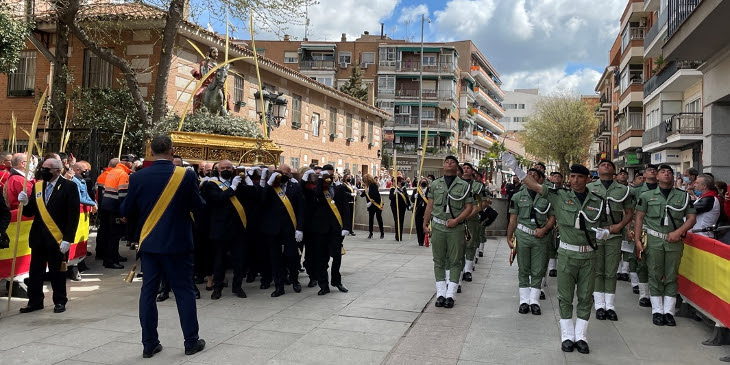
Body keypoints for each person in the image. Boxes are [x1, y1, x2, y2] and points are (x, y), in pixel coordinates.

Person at [504, 152, 603, 354]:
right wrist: (516, 168)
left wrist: (608, 232)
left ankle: (581, 336)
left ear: (587, 179)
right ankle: (567, 335)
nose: (575, 180)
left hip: (588, 255)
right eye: (572, 176)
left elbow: (606, 223)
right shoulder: (560, 196)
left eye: (579, 177)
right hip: (567, 254)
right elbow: (534, 185)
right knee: (565, 296)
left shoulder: (598, 201)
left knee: (585, 297)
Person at [120, 135, 206, 358]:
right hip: (178, 243)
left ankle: (149, 344)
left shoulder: (138, 177)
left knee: (148, 293)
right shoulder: (185, 175)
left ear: (151, 151)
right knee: (184, 292)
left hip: (149, 244)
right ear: (171, 150)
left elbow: (126, 209)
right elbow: (199, 206)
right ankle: (190, 341)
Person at [634, 164, 696, 327]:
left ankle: (668, 311)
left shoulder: (682, 196)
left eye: (669, 172)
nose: (666, 174)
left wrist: (679, 232)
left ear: (673, 177)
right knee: (654, 274)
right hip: (654, 239)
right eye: (663, 172)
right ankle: (657, 310)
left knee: (671, 275)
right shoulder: (647, 195)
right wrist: (637, 240)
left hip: (674, 240)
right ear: (658, 177)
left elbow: (691, 218)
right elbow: (639, 218)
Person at [17, 158, 80, 314]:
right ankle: (35, 301)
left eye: (48, 169)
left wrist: (68, 239)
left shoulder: (69, 187)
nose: (44, 171)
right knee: (35, 272)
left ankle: (60, 301)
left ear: (58, 170)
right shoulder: (38, 186)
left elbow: (73, 216)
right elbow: (30, 212)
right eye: (43, 167)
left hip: (57, 238)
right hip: (38, 238)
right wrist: (24, 203)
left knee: (57, 272)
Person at [422, 156, 474, 309]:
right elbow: (430, 206)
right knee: (438, 260)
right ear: (443, 165)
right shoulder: (436, 184)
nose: (449, 163)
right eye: (446, 162)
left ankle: (450, 294)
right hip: (438, 227)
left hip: (455, 228)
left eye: (452, 162)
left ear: (457, 167)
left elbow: (469, 207)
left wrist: (457, 220)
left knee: (455, 261)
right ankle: (440, 294)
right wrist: (425, 223)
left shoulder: (464, 186)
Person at [587, 160, 634, 322]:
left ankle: (610, 306)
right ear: (597, 170)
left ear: (614, 170)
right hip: (596, 234)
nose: (606, 166)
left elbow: (629, 212)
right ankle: (600, 305)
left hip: (613, 234)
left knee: (611, 270)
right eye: (602, 165)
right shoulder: (589, 188)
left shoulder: (623, 190)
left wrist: (619, 226)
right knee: (597, 270)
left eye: (609, 165)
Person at [507, 168, 555, 316]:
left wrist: (545, 229)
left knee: (538, 269)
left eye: (535, 175)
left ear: (541, 180)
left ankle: (534, 301)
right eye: (529, 175)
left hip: (540, 236)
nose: (531, 177)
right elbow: (513, 219)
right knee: (523, 268)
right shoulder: (517, 196)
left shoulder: (548, 196)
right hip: (522, 235)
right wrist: (509, 237)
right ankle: (523, 301)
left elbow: (552, 217)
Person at [199, 160, 248, 300]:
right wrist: (232, 188)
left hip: (237, 228)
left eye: (228, 167)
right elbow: (218, 199)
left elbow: (250, 198)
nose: (226, 170)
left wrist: (248, 182)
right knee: (219, 261)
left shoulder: (239, 182)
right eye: (223, 168)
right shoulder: (211, 185)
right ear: (218, 170)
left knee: (238, 260)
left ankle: (237, 287)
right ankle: (217, 288)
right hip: (219, 228)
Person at [261, 165, 305, 297]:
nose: (282, 175)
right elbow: (261, 201)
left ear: (290, 175)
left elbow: (301, 209)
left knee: (292, 256)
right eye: (279, 172)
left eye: (285, 173)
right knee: (275, 258)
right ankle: (279, 286)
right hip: (273, 229)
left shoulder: (295, 187)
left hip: (290, 228)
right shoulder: (271, 187)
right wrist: (268, 184)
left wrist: (300, 229)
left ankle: (295, 280)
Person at [311, 165, 351, 295]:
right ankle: (324, 285)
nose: (329, 178)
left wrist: (346, 227)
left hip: (336, 229)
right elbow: (315, 195)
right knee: (322, 259)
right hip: (321, 229)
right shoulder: (319, 190)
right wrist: (321, 181)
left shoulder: (339, 189)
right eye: (326, 175)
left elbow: (345, 209)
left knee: (337, 256)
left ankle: (336, 281)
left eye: (330, 175)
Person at [630, 164, 659, 307]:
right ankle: (644, 294)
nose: (653, 171)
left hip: (660, 232)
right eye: (649, 170)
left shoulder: (665, 190)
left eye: (655, 170)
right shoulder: (637, 191)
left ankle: (657, 296)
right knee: (641, 263)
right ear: (644, 175)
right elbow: (630, 210)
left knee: (657, 265)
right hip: (642, 229)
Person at [101, 155, 135, 269]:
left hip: (106, 206)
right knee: (114, 236)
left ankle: (112, 256)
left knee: (109, 234)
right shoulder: (123, 174)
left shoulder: (112, 171)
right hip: (115, 208)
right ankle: (111, 260)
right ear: (128, 165)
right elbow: (123, 195)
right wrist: (123, 213)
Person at [361, 174, 384, 239]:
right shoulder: (366, 186)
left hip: (377, 204)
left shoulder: (373, 185)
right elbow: (364, 194)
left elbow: (376, 195)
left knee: (379, 218)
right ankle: (370, 233)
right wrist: (358, 192)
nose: (363, 182)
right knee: (371, 219)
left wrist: (371, 202)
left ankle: (382, 233)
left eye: (364, 181)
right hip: (371, 206)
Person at [389, 176, 410, 241]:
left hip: (402, 207)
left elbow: (406, 197)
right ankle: (397, 235)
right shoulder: (393, 189)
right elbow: (390, 197)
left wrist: (409, 205)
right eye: (401, 181)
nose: (402, 182)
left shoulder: (404, 189)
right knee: (397, 221)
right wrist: (394, 193)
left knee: (401, 221)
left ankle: (400, 235)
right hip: (395, 207)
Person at [411, 178, 429, 246]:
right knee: (418, 225)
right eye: (422, 182)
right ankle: (420, 241)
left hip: (426, 209)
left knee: (425, 224)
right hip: (418, 209)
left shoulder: (429, 190)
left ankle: (425, 239)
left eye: (425, 182)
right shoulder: (416, 190)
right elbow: (412, 200)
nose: (423, 183)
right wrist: (414, 197)